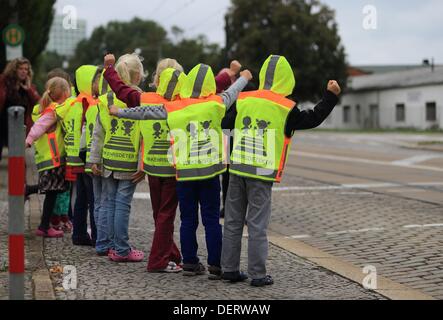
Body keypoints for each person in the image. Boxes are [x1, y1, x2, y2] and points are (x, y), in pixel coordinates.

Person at [111, 63, 253, 279]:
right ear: (209, 87)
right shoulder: (216, 103)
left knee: (187, 220)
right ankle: (216, 265)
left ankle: (189, 262)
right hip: (210, 173)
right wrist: (243, 77)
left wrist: (120, 112)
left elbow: (147, 112)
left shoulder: (175, 107)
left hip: (184, 174)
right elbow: (231, 93)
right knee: (212, 220)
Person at [221, 55, 341, 286]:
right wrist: (330, 97)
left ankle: (229, 269)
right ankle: (257, 275)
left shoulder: (244, 99)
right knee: (256, 224)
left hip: (236, 168)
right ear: (287, 80)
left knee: (233, 221)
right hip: (262, 172)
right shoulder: (285, 107)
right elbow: (312, 118)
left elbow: (226, 123)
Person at [90, 53, 148, 262]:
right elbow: (144, 136)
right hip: (129, 162)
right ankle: (122, 249)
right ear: (136, 76)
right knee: (123, 204)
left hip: (107, 159)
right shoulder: (141, 99)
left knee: (107, 202)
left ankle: (103, 244)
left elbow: (98, 133)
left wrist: (93, 159)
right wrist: (143, 164)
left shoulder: (104, 100)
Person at [25, 77, 71, 237]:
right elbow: (38, 127)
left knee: (53, 190)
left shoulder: (44, 108)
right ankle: (44, 227)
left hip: (48, 158)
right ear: (65, 92)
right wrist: (28, 140)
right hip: (54, 158)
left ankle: (46, 224)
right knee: (52, 192)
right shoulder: (54, 110)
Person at [0, 58, 40, 161]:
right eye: (20, 68)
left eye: (26, 69)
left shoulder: (29, 86)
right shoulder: (4, 82)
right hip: (2, 123)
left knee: (18, 158)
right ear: (14, 70)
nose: (23, 71)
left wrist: (29, 89)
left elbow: (38, 103)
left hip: (19, 127)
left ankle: (21, 177)